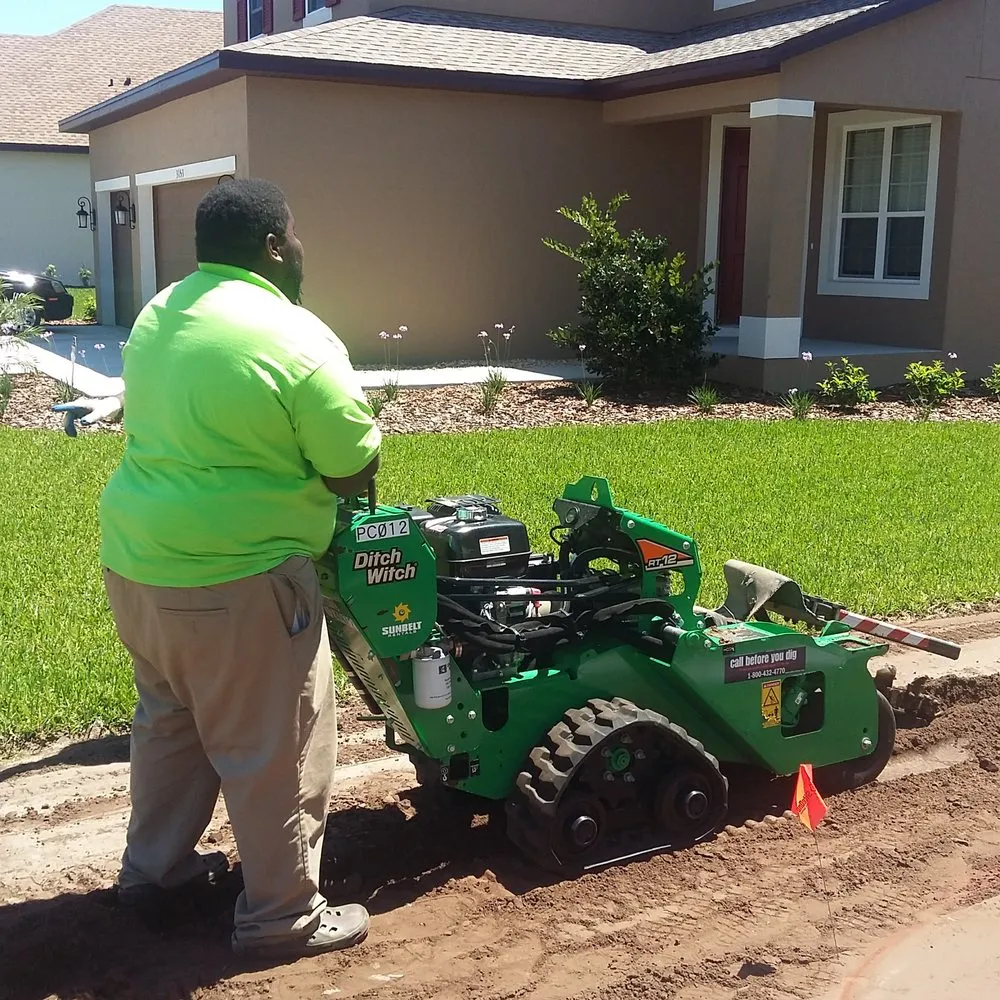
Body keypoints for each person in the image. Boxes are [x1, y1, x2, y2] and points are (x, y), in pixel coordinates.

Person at [55, 178, 381, 959]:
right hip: (241, 581)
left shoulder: (161, 314)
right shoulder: (294, 335)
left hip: (138, 568)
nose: (300, 248)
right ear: (273, 245)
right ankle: (282, 918)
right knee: (275, 746)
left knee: (170, 725)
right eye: (294, 235)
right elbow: (349, 463)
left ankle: (154, 877)